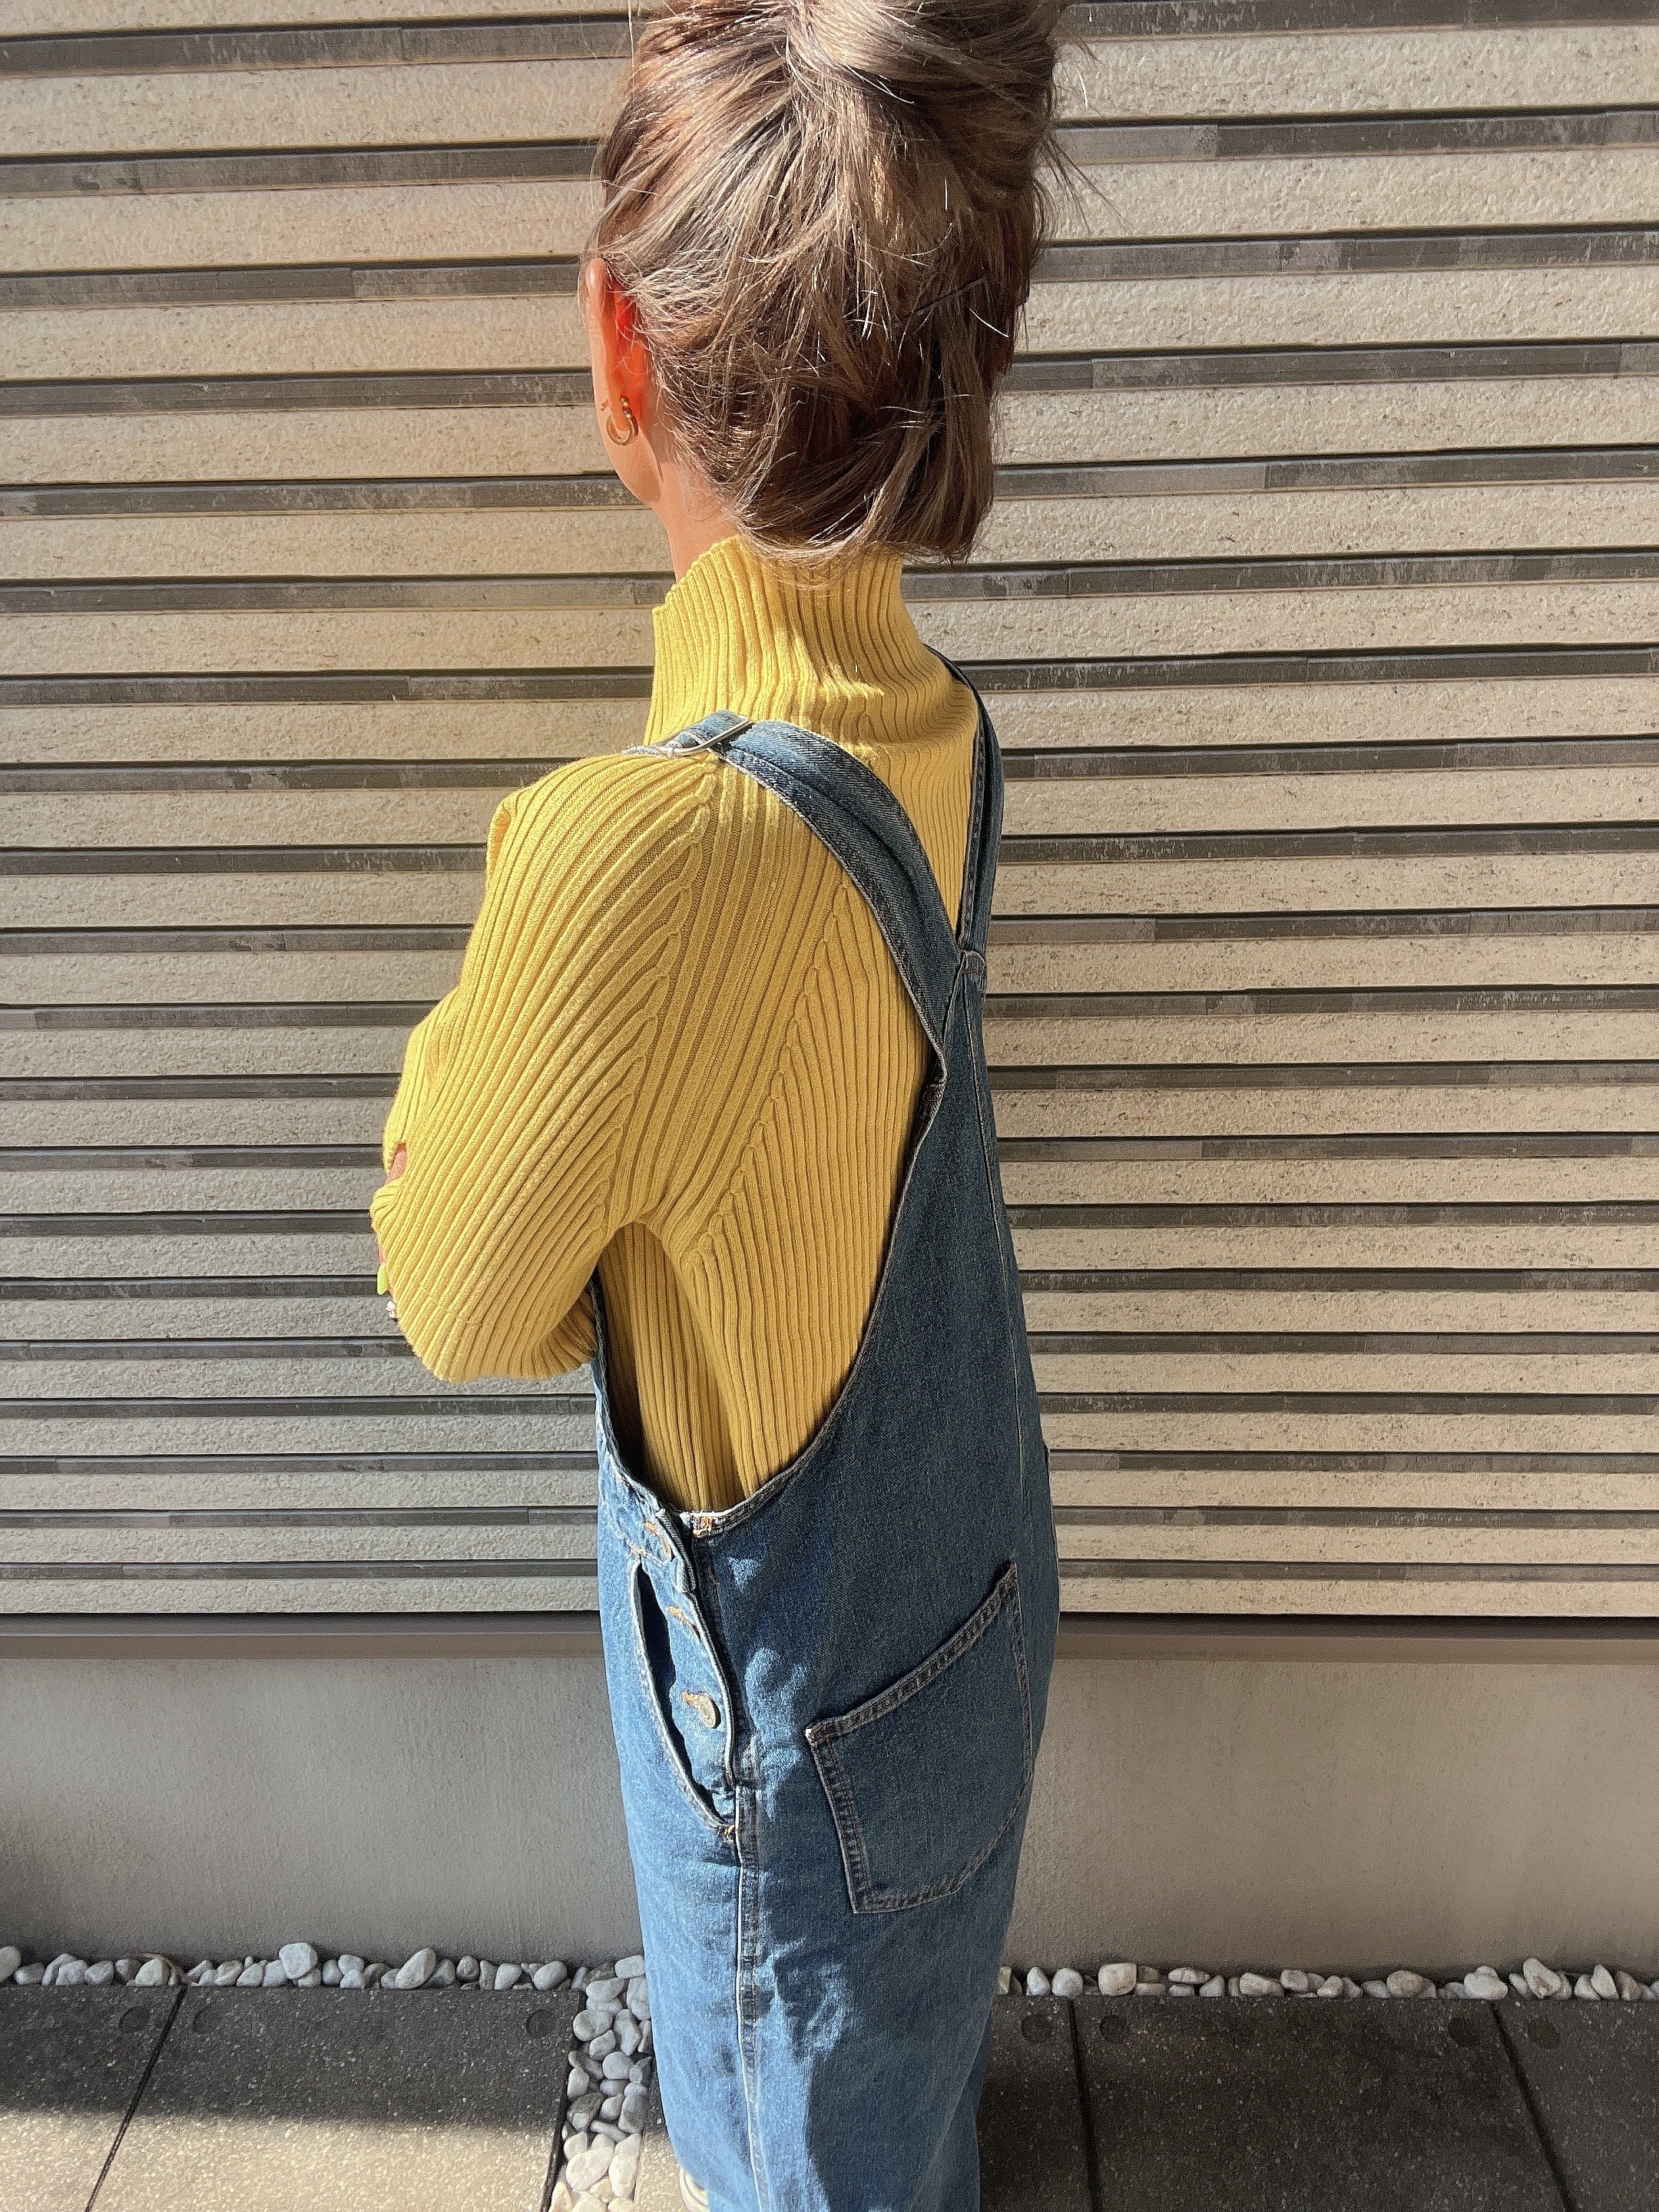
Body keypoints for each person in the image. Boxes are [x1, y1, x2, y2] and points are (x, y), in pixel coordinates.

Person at [370, 2, 1065, 2204]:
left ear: (622, 345)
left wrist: (484, 1020)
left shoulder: (627, 860)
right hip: (960, 1616)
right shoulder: (934, 723)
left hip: (797, 1732)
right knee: (890, 2083)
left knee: (792, 2148)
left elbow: (456, 1298)